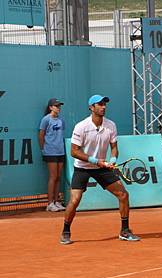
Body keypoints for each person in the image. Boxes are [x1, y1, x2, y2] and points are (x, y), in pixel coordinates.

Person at [60, 94, 140, 245]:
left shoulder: (111, 125)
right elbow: (74, 151)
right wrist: (96, 161)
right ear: (91, 107)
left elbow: (114, 147)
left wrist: (113, 160)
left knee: (123, 195)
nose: (103, 107)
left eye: (104, 104)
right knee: (75, 200)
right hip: (83, 167)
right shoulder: (81, 127)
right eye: (99, 104)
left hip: (102, 168)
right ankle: (66, 231)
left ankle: (125, 231)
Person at [39, 98, 66, 212]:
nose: (58, 108)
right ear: (50, 107)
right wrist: (43, 149)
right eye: (56, 106)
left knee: (59, 177)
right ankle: (50, 203)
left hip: (60, 151)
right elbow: (41, 135)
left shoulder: (61, 120)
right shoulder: (45, 119)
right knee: (53, 176)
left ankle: (56, 201)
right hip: (50, 151)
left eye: (59, 106)